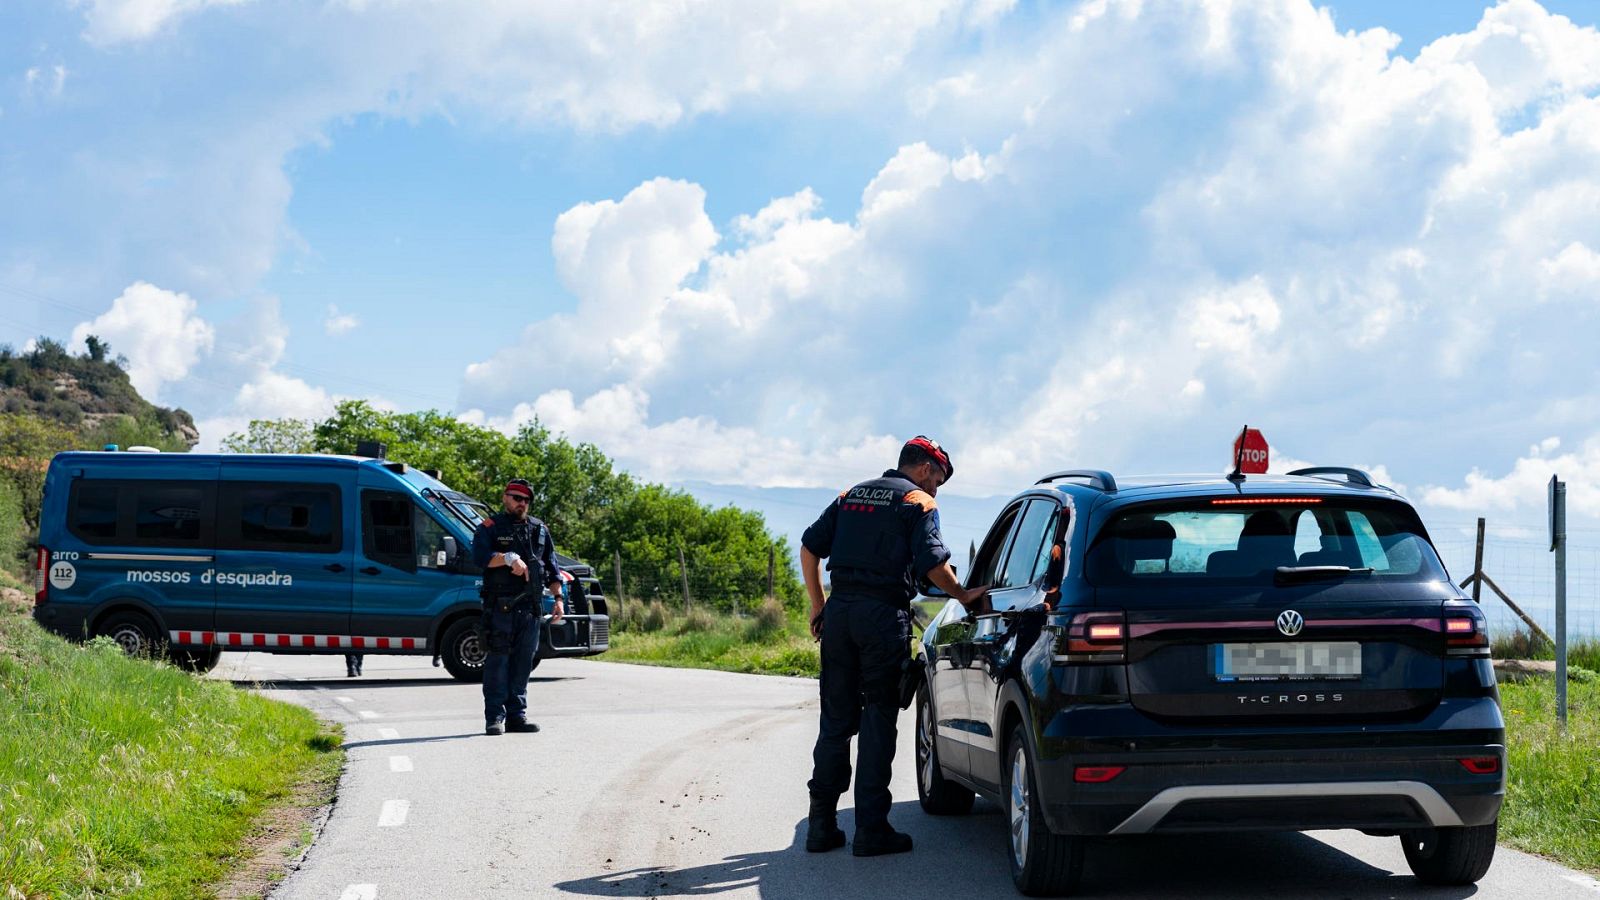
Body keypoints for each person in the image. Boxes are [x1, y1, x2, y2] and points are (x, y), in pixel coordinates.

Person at [799, 435, 991, 857]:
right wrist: (962, 594)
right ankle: (871, 830)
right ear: (924, 468)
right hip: (882, 617)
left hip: (841, 615)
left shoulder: (851, 494)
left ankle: (821, 826)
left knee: (835, 720)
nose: (936, 489)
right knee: (878, 718)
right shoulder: (918, 503)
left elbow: (809, 549)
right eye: (937, 479)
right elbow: (934, 566)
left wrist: (820, 607)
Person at [472, 478, 563, 736]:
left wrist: (558, 599)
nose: (521, 503)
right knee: (499, 661)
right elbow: (479, 557)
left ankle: (517, 716)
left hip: (530, 607)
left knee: (524, 662)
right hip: (501, 605)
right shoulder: (490, 527)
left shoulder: (539, 529)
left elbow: (552, 567)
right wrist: (507, 558)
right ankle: (495, 717)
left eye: (526, 500)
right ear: (505, 498)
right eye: (516, 498)